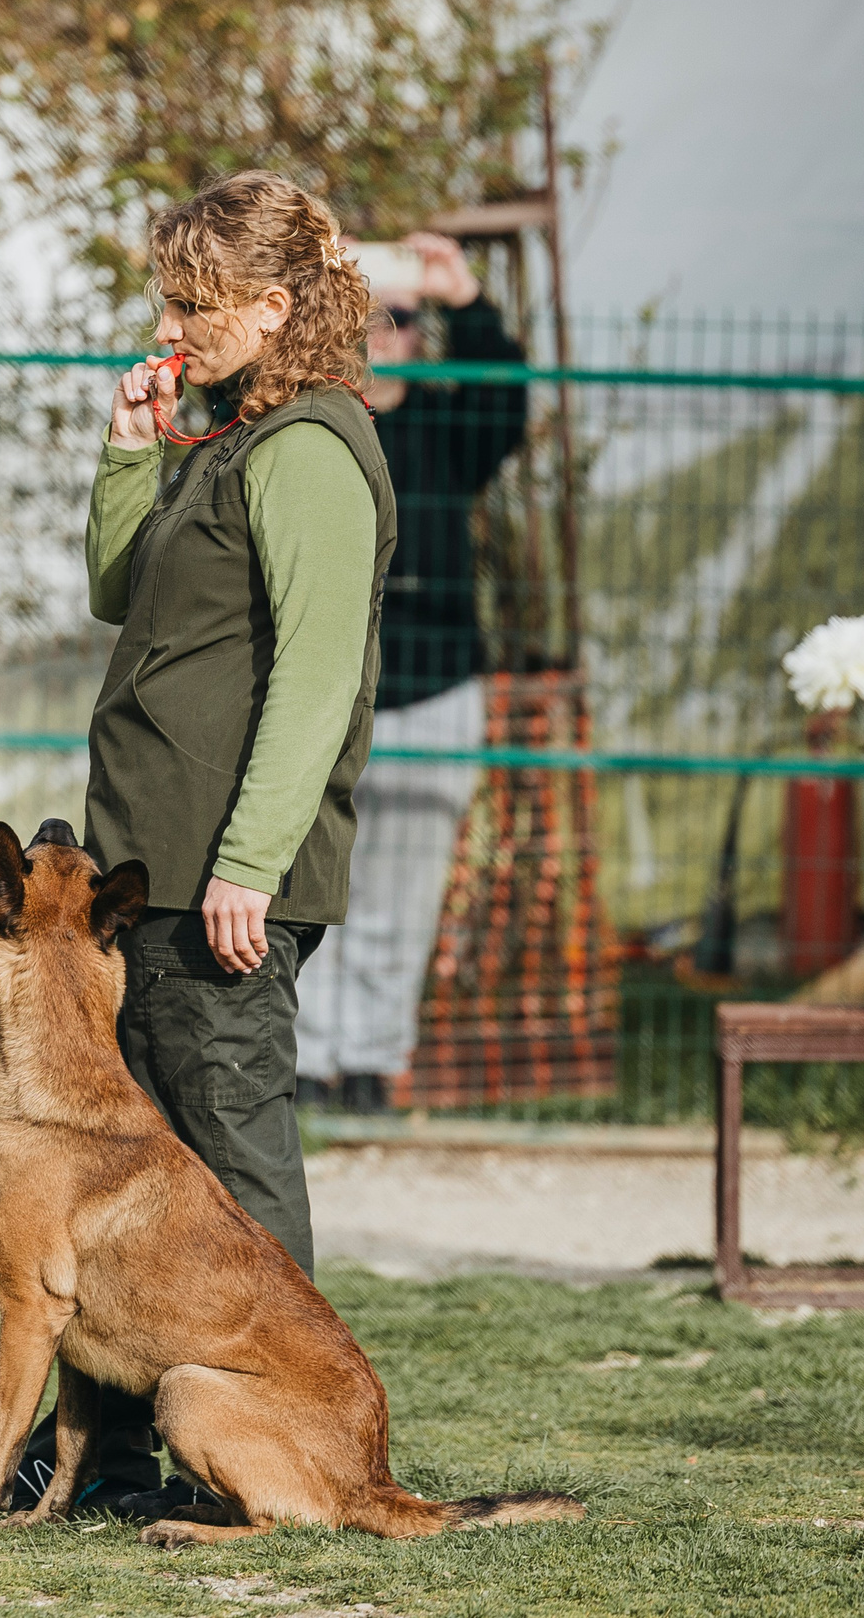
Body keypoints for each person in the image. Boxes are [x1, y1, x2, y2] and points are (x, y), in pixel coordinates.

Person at [0, 170, 397, 1519]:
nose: (178, 324)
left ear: (277, 306)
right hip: (157, 868)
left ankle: (292, 1457)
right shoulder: (225, 442)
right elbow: (116, 589)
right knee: (131, 1194)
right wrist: (132, 445)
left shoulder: (314, 449)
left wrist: (253, 858)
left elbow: (318, 674)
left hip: (225, 876)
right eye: (173, 298)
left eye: (199, 304)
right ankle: (108, 1459)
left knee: (232, 1166)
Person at [292, 233, 531, 1113]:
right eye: (365, 317)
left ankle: (370, 1066)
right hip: (324, 689)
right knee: (310, 886)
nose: (382, 334)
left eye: (400, 319)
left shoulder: (447, 425)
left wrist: (467, 298)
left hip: (435, 686)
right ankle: (307, 1062)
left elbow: (508, 405)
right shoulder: (307, 423)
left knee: (402, 893)